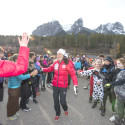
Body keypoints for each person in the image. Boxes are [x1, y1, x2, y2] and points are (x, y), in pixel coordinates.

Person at [41, 48, 78, 121]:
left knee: (62, 101)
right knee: (55, 101)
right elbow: (50, 69)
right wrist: (42, 69)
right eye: (57, 54)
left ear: (63, 55)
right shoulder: (55, 63)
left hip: (63, 86)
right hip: (55, 85)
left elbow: (73, 74)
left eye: (60, 54)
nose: (58, 55)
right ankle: (57, 114)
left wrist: (75, 85)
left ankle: (65, 108)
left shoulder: (67, 63)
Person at [6, 54, 38, 120]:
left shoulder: (16, 66)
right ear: (16, 60)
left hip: (16, 87)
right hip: (13, 88)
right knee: (12, 102)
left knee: (15, 101)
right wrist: (31, 74)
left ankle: (14, 112)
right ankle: (10, 115)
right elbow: (21, 77)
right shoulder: (14, 67)